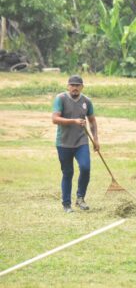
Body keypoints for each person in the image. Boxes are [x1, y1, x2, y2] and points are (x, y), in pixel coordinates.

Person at [52, 75, 99, 213]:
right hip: (64, 143)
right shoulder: (60, 98)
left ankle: (80, 198)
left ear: (82, 87)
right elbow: (54, 119)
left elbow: (92, 121)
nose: (75, 88)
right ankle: (66, 204)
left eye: (78, 85)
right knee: (68, 173)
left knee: (85, 168)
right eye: (72, 85)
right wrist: (73, 121)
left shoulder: (86, 101)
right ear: (68, 86)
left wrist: (96, 139)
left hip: (81, 142)